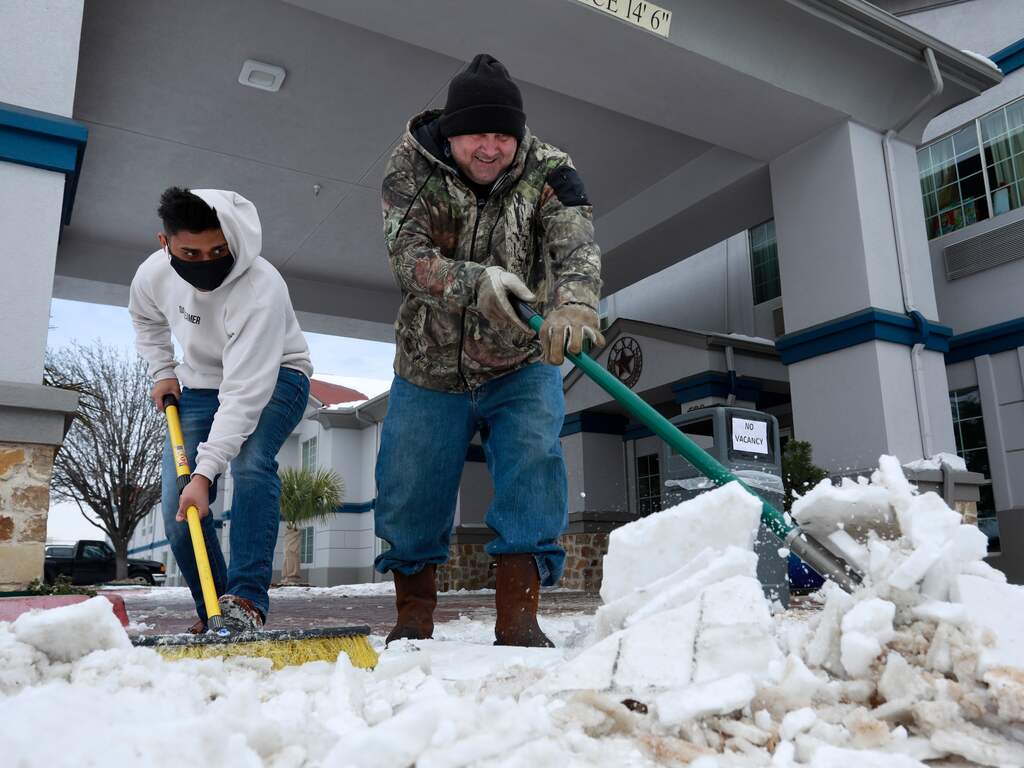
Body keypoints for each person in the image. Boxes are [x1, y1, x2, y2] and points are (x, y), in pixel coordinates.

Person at [375, 54, 604, 647]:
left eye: (503, 135)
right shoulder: (409, 167)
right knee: (409, 488)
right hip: (428, 364)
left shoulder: (550, 169)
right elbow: (408, 258)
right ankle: (412, 616)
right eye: (476, 134)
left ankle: (519, 616)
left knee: (534, 470)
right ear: (450, 133)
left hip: (520, 361)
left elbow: (575, 242)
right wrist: (477, 282)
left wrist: (576, 302)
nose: (489, 148)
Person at [129, 187, 312, 633]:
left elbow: (245, 393)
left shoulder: (260, 287)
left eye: (218, 251)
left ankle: (245, 600)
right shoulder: (153, 274)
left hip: (277, 376)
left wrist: (205, 474)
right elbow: (145, 318)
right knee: (178, 507)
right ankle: (214, 609)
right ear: (165, 243)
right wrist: (162, 370)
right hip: (198, 385)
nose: (206, 262)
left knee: (251, 462)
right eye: (190, 253)